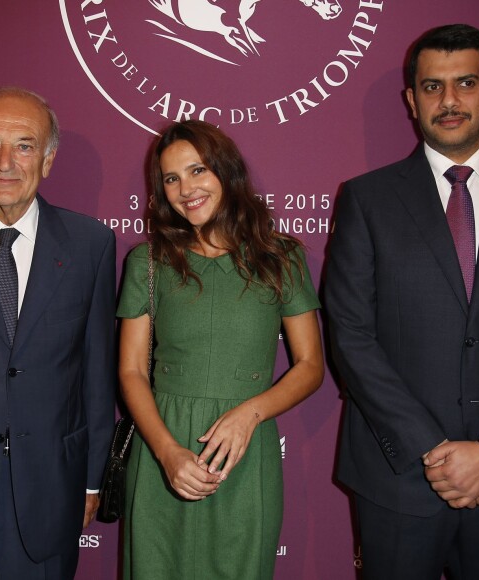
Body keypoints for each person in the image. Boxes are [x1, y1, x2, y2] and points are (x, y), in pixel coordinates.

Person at [326, 24, 479, 580]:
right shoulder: (367, 199)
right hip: (398, 480)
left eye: (466, 83)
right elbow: (351, 335)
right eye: (431, 87)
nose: (448, 101)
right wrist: (436, 452)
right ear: (411, 99)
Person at [117, 119, 323, 579]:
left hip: (244, 454)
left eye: (198, 170)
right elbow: (131, 371)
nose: (185, 188)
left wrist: (251, 414)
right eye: (171, 178)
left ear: (226, 172)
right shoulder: (147, 262)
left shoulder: (280, 257)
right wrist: (167, 453)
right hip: (160, 448)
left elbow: (311, 366)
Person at [0, 87, 116, 579]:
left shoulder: (91, 245)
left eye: (25, 145)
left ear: (48, 160)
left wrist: (92, 482)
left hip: (49, 496)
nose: (5, 162)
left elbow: (96, 375)